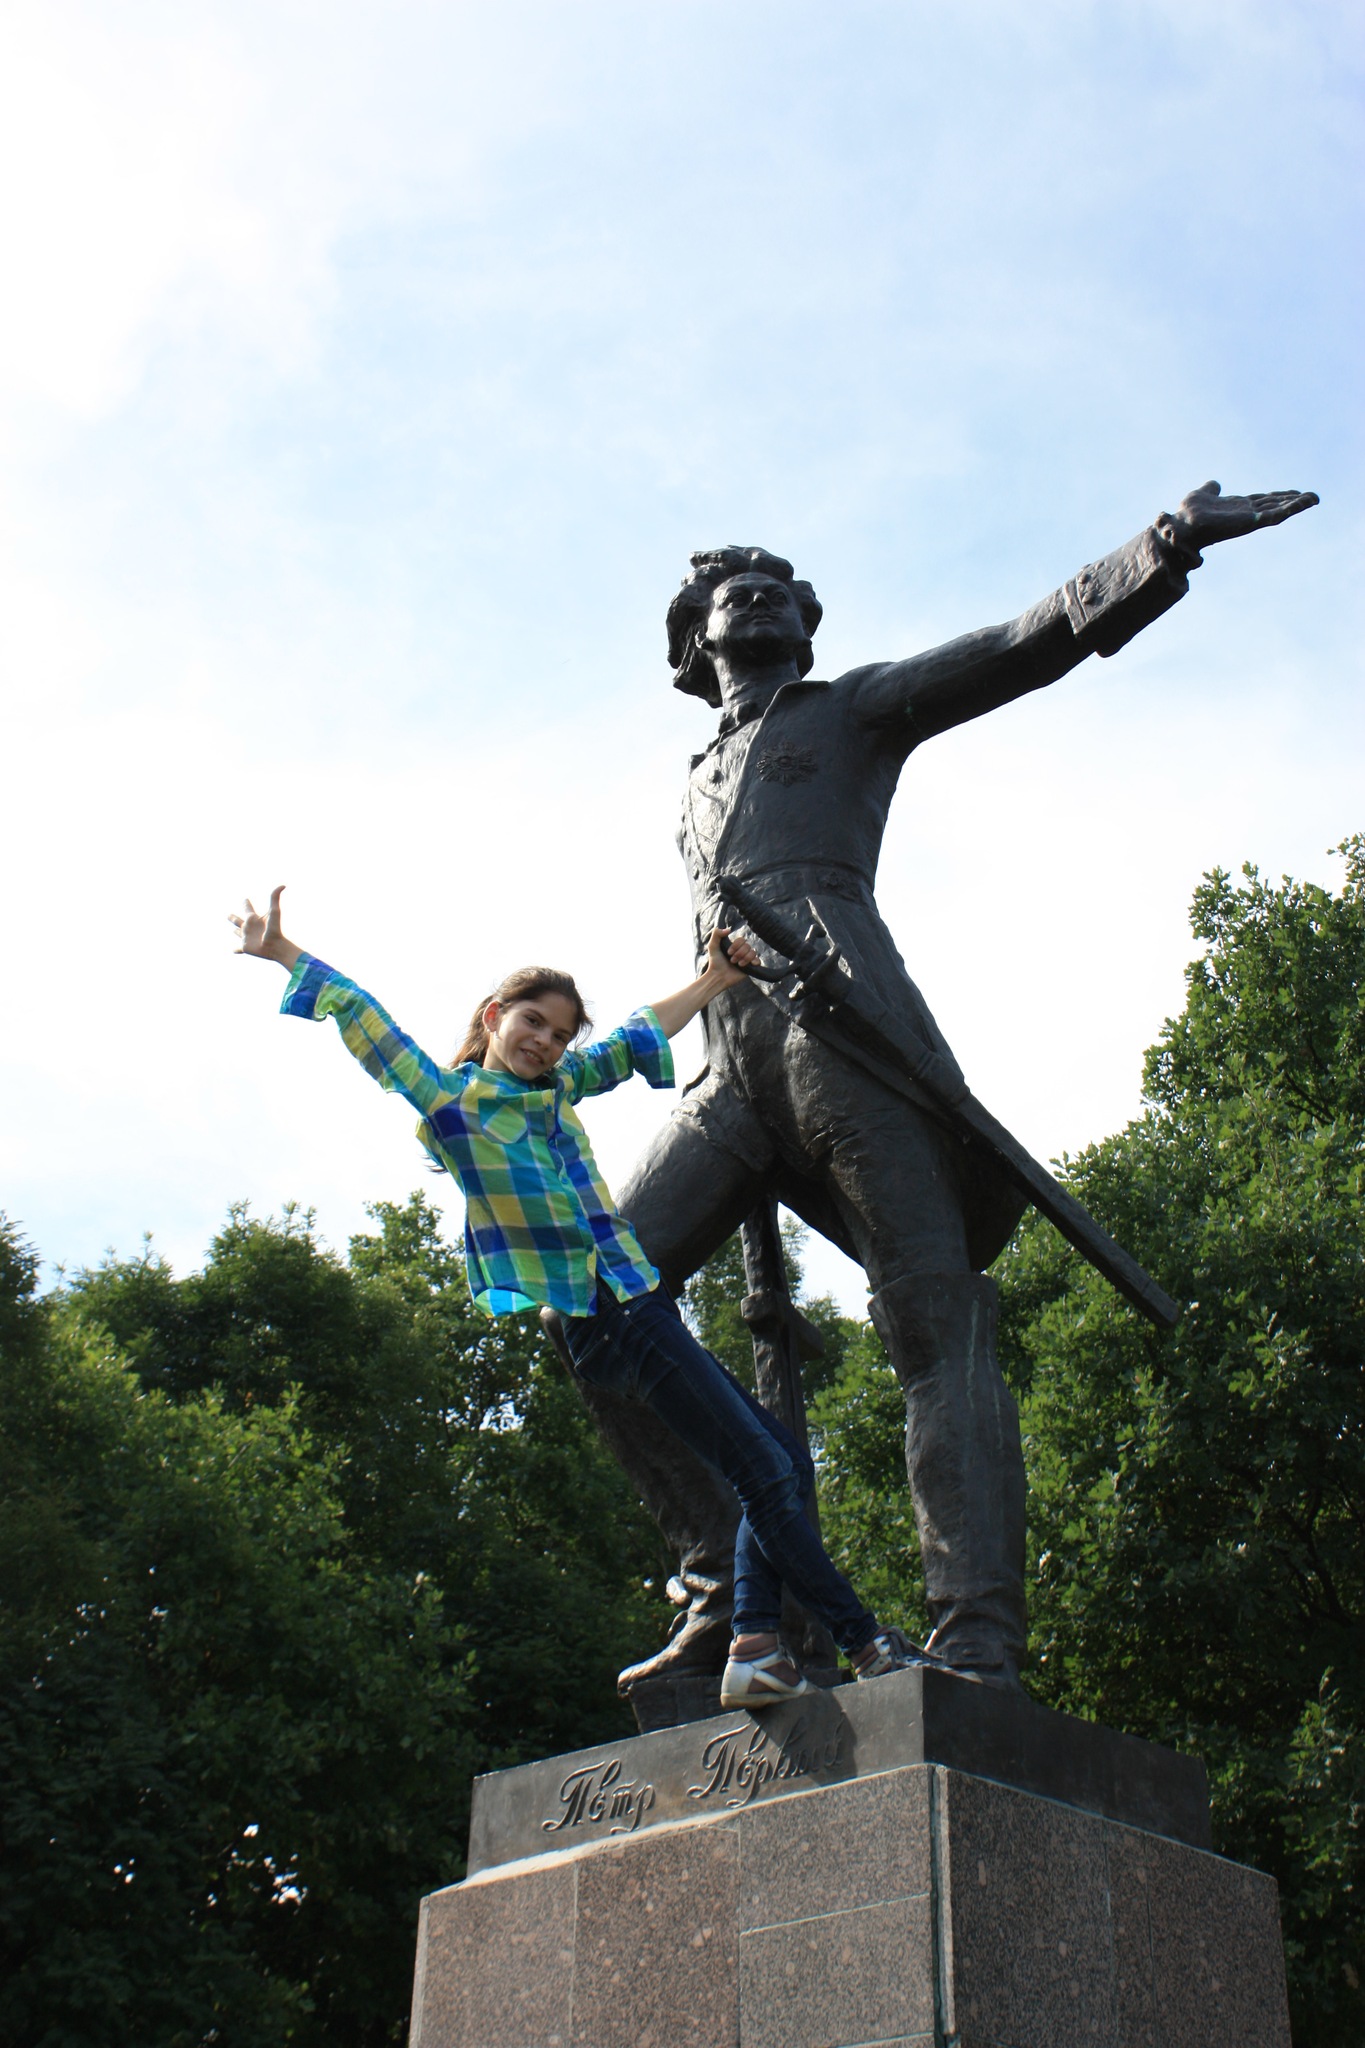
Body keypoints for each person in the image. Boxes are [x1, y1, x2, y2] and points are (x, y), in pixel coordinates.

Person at [559, 479, 1319, 1700]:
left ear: (806, 625)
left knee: (932, 1322)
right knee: (592, 1303)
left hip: (848, 1033)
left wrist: (1162, 547)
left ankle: (974, 1639)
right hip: (729, 1063)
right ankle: (731, 1592)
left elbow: (1018, 646)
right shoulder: (691, 781)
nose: (755, 598)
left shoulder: (852, 709)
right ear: (694, 639)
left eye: (776, 590)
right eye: (731, 592)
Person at [229, 884, 923, 1707]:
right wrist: (284, 953)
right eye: (532, 1024)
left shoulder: (557, 1091)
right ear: (493, 1017)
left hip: (637, 1302)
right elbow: (369, 1023)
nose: (545, 1043)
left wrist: (713, 980)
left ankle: (756, 1645)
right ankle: (863, 1641)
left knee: (778, 1468)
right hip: (605, 1314)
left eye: (559, 1035)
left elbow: (631, 1040)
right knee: (765, 1471)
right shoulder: (453, 1104)